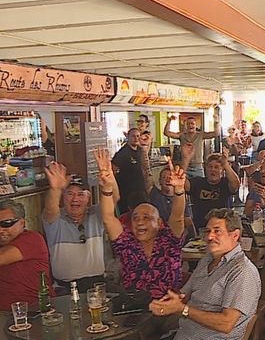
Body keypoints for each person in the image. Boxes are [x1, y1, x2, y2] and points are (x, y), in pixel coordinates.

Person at [115, 208, 260, 340]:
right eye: (207, 231)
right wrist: (167, 302)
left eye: (217, 231)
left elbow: (226, 324)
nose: (210, 236)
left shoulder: (242, 272)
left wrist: (182, 309)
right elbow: (184, 294)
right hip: (186, 336)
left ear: (235, 235)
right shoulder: (207, 260)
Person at [0, 200, 76, 340]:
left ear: (22, 223)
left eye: (7, 223)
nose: (1, 229)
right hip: (5, 315)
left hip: (37, 311)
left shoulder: (31, 239)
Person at [96, 149, 184, 299]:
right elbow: (108, 218)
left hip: (170, 310)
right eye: (135, 218)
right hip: (135, 311)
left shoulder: (169, 240)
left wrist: (179, 189)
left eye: (146, 217)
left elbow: (177, 216)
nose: (140, 222)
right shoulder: (126, 243)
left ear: (159, 223)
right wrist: (106, 187)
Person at [43, 163, 116, 293]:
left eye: (81, 194)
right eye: (69, 194)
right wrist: (55, 189)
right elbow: (50, 209)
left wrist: (109, 179)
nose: (75, 199)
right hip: (64, 288)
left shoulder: (97, 214)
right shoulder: (55, 219)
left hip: (97, 284)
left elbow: (114, 199)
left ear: (88, 198)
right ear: (63, 197)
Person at [183, 144, 240, 230]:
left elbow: (236, 184)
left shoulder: (225, 183)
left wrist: (226, 164)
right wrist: (186, 159)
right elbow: (182, 182)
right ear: (205, 168)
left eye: (216, 167)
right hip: (201, 227)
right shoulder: (198, 182)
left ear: (222, 170)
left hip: (222, 227)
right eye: (210, 167)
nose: (212, 170)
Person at [163, 113, 220, 178]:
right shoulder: (182, 135)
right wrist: (169, 120)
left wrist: (216, 121)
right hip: (185, 167)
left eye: (192, 123)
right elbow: (166, 133)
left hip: (198, 167)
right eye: (188, 124)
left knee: (200, 186)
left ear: (195, 125)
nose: (190, 125)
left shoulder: (201, 135)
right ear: (186, 125)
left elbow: (216, 133)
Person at [112, 127, 149, 214]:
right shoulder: (122, 153)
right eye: (133, 136)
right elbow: (112, 170)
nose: (136, 138)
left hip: (140, 190)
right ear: (127, 137)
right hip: (127, 192)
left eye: (138, 136)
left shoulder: (140, 151)